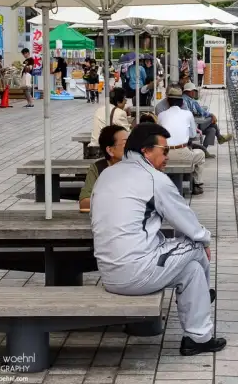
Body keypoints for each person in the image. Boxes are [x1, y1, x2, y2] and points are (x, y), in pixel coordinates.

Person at [90, 123, 225, 356]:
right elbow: (187, 221)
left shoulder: (107, 174)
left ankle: (198, 338)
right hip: (136, 272)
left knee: (191, 270)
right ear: (146, 151)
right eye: (164, 151)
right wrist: (205, 240)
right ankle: (206, 294)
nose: (168, 156)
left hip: (109, 273)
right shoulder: (154, 179)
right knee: (196, 245)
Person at [158, 86, 206, 195]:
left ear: (168, 101)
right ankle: (197, 184)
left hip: (164, 155)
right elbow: (193, 134)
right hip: (182, 153)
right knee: (201, 154)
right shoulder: (187, 114)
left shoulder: (161, 115)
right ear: (181, 102)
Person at [79, 125, 128, 211]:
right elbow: (84, 203)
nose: (130, 147)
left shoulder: (136, 166)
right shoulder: (98, 168)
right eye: (125, 143)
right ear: (110, 150)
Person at [182, 83, 231, 148]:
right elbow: (189, 114)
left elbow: (200, 110)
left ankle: (204, 150)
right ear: (189, 91)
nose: (194, 93)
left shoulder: (191, 99)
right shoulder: (184, 100)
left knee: (212, 129)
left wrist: (209, 114)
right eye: (193, 91)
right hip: (191, 126)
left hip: (194, 123)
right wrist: (211, 115)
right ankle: (219, 137)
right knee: (211, 120)